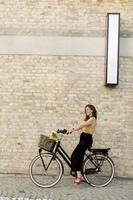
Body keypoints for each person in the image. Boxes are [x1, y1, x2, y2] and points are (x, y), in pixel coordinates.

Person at [69, 104, 97, 185]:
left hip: (86, 139)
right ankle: (80, 174)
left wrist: (73, 130)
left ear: (92, 110)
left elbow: (82, 125)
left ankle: (79, 175)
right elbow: (80, 125)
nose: (86, 111)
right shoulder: (87, 119)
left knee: (74, 155)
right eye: (86, 110)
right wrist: (70, 129)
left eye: (88, 109)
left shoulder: (92, 119)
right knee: (79, 157)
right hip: (83, 138)